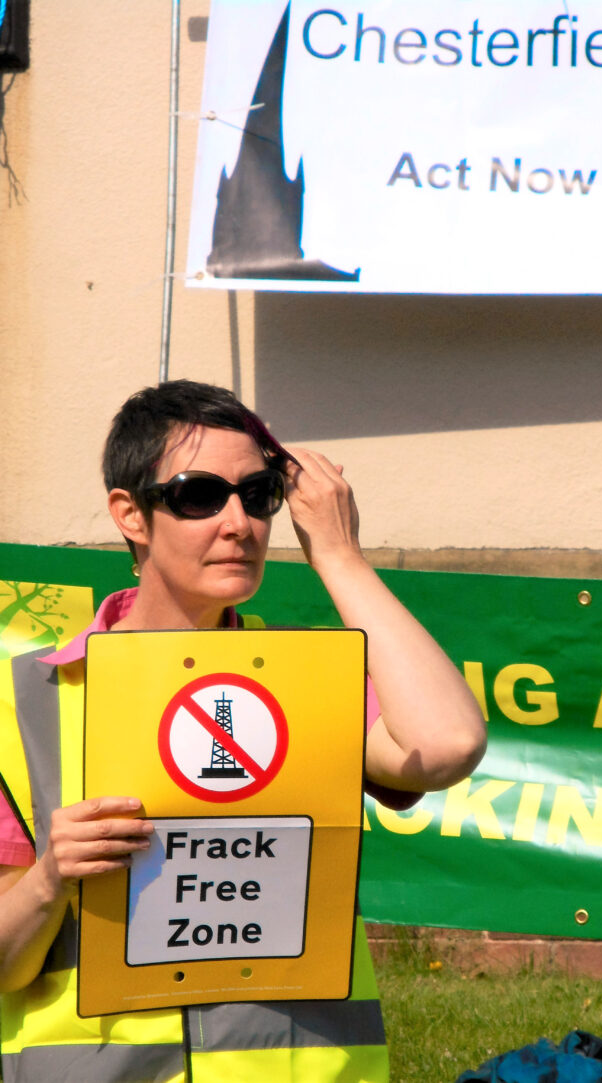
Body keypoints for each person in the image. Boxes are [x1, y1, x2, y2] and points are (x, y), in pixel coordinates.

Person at [0, 379, 486, 1083]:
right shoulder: (24, 699)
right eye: (200, 495)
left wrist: (340, 555)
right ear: (130, 513)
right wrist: (48, 879)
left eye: (258, 496)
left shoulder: (307, 677)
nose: (239, 522)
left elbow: (446, 745)